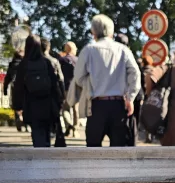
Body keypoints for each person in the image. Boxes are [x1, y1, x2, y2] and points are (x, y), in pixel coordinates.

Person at [74, 14, 141, 147]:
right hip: (118, 105)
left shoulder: (88, 50)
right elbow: (135, 73)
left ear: (93, 31)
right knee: (119, 151)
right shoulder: (123, 50)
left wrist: (91, 84)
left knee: (93, 150)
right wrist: (130, 97)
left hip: (96, 106)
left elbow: (78, 77)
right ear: (111, 31)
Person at [15, 34, 65, 148]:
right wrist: (59, 101)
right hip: (47, 104)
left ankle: (40, 155)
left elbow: (18, 86)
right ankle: (46, 151)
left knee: (37, 133)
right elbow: (54, 83)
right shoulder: (46, 62)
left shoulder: (24, 64)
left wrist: (18, 106)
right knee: (46, 131)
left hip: (31, 104)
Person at [41, 37, 68, 147]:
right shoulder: (54, 61)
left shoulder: (32, 62)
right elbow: (61, 80)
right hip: (52, 96)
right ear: (48, 47)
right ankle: (58, 138)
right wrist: (63, 96)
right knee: (55, 119)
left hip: (38, 98)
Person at [58, 41, 78, 135]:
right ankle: (75, 129)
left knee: (65, 108)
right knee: (75, 109)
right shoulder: (78, 60)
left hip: (65, 87)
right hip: (76, 87)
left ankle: (69, 125)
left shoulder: (61, 60)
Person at [3, 49, 25, 131]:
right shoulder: (25, 63)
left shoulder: (12, 64)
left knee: (16, 105)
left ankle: (18, 121)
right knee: (24, 104)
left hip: (14, 86)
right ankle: (25, 122)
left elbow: (7, 78)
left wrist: (5, 90)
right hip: (24, 86)